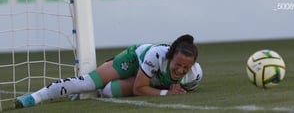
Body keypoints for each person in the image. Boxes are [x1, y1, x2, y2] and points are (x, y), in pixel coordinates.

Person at [15, 34, 202, 108]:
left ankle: (89, 94)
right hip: (133, 61)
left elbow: (146, 85)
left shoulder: (194, 76)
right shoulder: (156, 55)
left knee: (109, 91)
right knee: (89, 81)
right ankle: (35, 97)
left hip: (149, 79)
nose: (181, 70)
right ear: (170, 56)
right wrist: (166, 93)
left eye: (186, 67)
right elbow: (139, 88)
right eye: (178, 64)